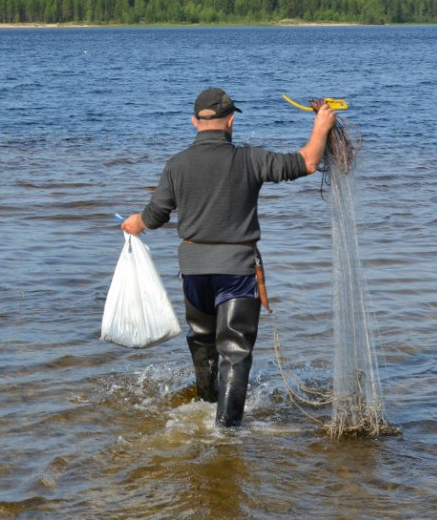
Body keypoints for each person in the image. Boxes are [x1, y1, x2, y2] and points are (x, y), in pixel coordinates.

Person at [121, 87, 335, 428]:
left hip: (193, 273)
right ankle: (226, 431)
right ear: (231, 121)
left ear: (194, 122)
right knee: (235, 351)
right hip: (236, 271)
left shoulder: (176, 164)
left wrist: (135, 223)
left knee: (203, 342)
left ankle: (205, 407)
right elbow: (308, 161)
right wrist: (321, 125)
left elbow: (155, 215)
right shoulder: (250, 159)